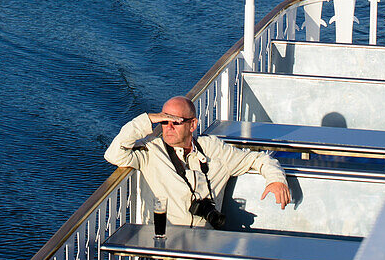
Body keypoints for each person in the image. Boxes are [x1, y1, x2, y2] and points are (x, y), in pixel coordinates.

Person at [104, 95, 290, 228]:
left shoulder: (212, 149)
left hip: (206, 243)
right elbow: (113, 154)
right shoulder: (151, 150)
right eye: (164, 121)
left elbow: (258, 159)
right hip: (164, 243)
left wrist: (276, 180)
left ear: (192, 125)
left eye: (175, 122)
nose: (168, 128)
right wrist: (148, 119)